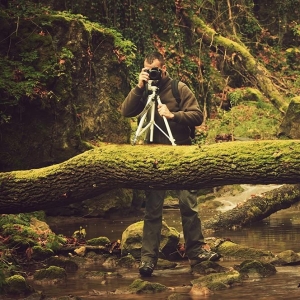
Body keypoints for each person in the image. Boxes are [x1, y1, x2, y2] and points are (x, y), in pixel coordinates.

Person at [121, 51, 220, 277]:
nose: (151, 74)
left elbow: (197, 116)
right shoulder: (144, 90)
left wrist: (173, 115)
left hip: (181, 152)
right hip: (154, 157)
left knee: (189, 206)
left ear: (163, 69)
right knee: (153, 210)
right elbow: (126, 111)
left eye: (154, 70)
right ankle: (148, 259)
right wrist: (139, 86)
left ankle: (196, 252)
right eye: (147, 70)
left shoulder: (179, 88)